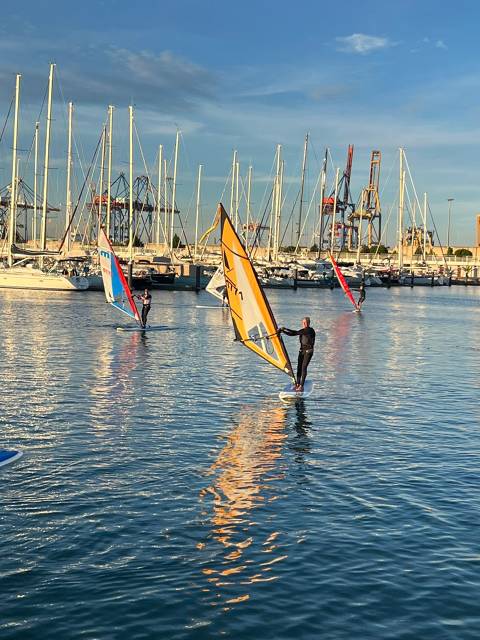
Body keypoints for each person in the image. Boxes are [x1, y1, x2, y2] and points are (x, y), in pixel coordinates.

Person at [279, 317, 315, 392]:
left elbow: (294, 333)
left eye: (305, 322)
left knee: (304, 367)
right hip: (302, 351)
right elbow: (293, 333)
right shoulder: (303, 331)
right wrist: (283, 331)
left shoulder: (309, 330)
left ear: (308, 323)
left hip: (309, 351)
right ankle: (297, 384)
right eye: (303, 322)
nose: (304, 324)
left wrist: (284, 330)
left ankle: (301, 386)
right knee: (299, 367)